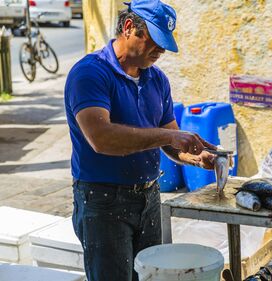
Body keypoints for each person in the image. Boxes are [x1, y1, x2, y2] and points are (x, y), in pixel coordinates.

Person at [64, 0, 217, 280]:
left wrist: (195, 155)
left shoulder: (156, 80)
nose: (160, 50)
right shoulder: (90, 73)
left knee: (150, 275)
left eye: (164, 43)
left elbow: (170, 139)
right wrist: (170, 135)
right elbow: (102, 138)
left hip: (148, 196)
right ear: (129, 28)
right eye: (154, 40)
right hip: (103, 201)